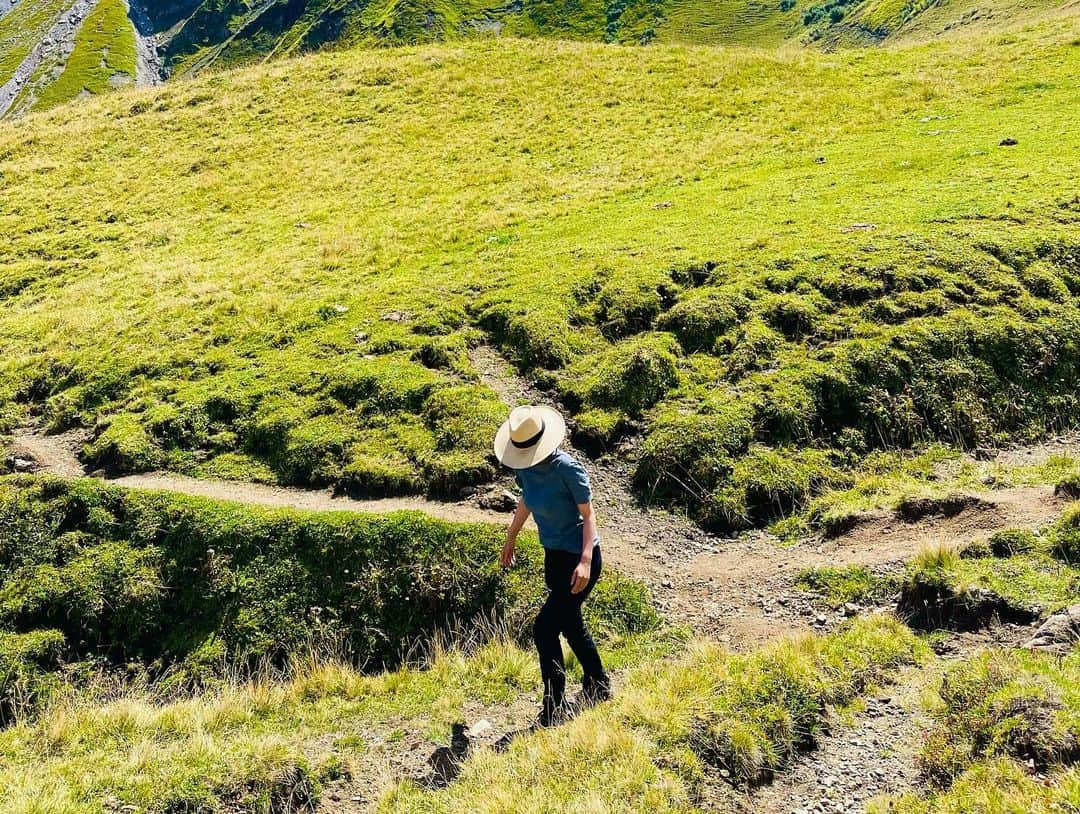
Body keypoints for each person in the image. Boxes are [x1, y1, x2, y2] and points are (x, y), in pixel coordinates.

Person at [494, 405, 611, 727]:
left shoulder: (568, 469)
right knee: (570, 624)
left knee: (544, 628)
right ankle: (599, 682)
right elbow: (527, 500)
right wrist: (511, 537)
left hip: (579, 559)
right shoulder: (525, 468)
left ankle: (554, 704)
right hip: (554, 557)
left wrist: (586, 560)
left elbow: (589, 516)